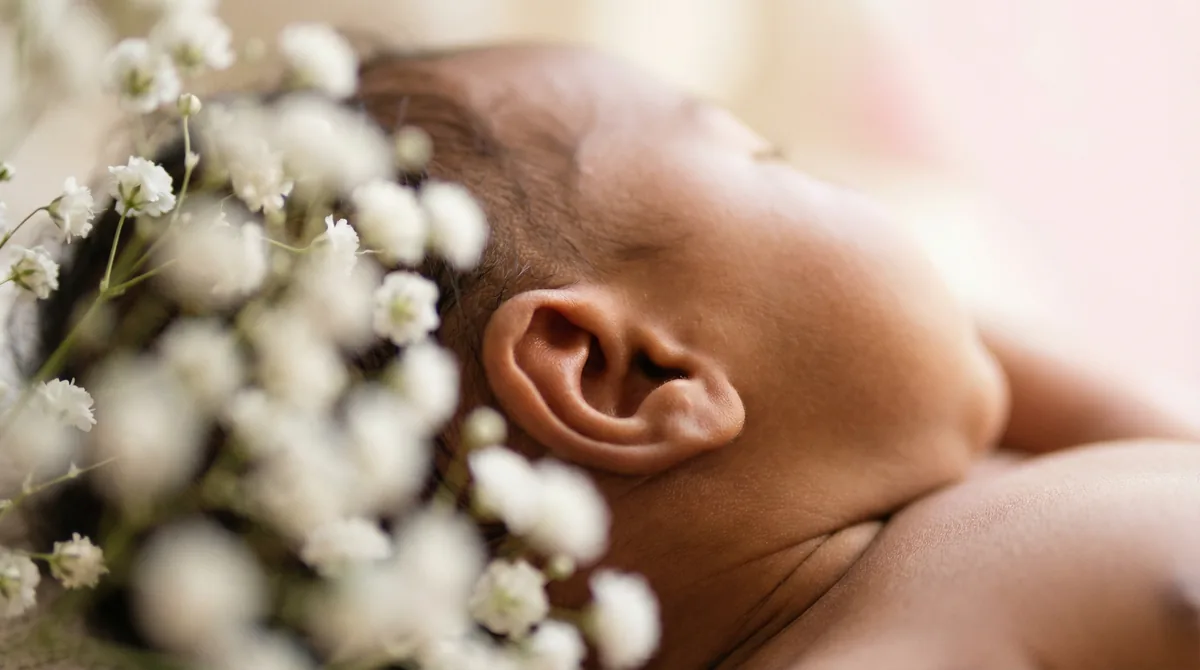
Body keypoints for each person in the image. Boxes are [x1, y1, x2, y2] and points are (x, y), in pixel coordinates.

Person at [35, 44, 1200, 669]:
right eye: (775, 158)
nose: (863, 197)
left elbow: (978, 375)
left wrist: (894, 332)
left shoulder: (955, 483)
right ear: (623, 378)